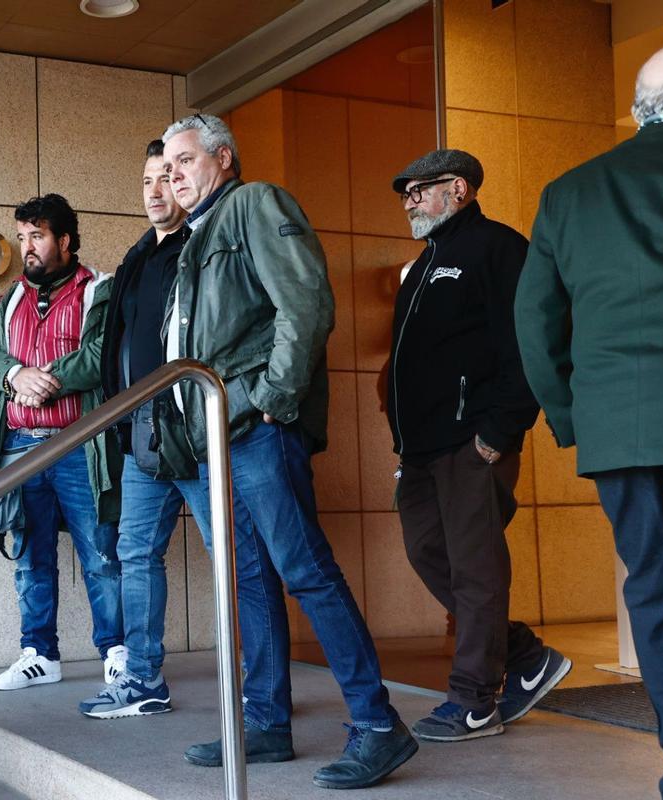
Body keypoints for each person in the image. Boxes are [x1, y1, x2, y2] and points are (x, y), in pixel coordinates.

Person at [157, 113, 417, 790]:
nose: (174, 175)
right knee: (249, 581)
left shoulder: (253, 203)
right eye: (168, 166)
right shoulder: (195, 238)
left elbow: (305, 303)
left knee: (305, 570)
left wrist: (274, 396)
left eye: (185, 161)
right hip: (222, 434)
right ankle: (265, 723)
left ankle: (380, 726)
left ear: (223, 158)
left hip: (258, 425)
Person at [514, 43, 663, 798]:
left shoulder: (571, 191)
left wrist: (572, 417)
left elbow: (534, 320)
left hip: (619, 430)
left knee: (654, 591)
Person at [387, 149, 569, 742]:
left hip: (472, 443)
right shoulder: (422, 265)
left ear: (458, 188)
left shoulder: (497, 248)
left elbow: (528, 344)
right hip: (420, 451)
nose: (409, 199)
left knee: (475, 569)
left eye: (420, 189)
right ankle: (524, 655)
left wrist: (499, 432)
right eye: (405, 192)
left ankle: (475, 701)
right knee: (427, 553)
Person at [0, 193, 126, 692]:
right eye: (21, 237)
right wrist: (16, 374)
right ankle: (39, 654)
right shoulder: (9, 298)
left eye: (37, 236)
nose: (27, 247)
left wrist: (45, 377)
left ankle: (118, 655)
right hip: (20, 445)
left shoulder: (100, 290)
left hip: (80, 444)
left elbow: (103, 353)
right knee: (30, 554)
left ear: (65, 240)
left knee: (102, 552)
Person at [78, 140, 188, 719]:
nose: (154, 191)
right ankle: (144, 680)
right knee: (135, 552)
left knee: (240, 556)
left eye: (166, 178)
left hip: (194, 427)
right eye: (147, 180)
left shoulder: (200, 249)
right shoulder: (140, 255)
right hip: (141, 433)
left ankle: (263, 691)